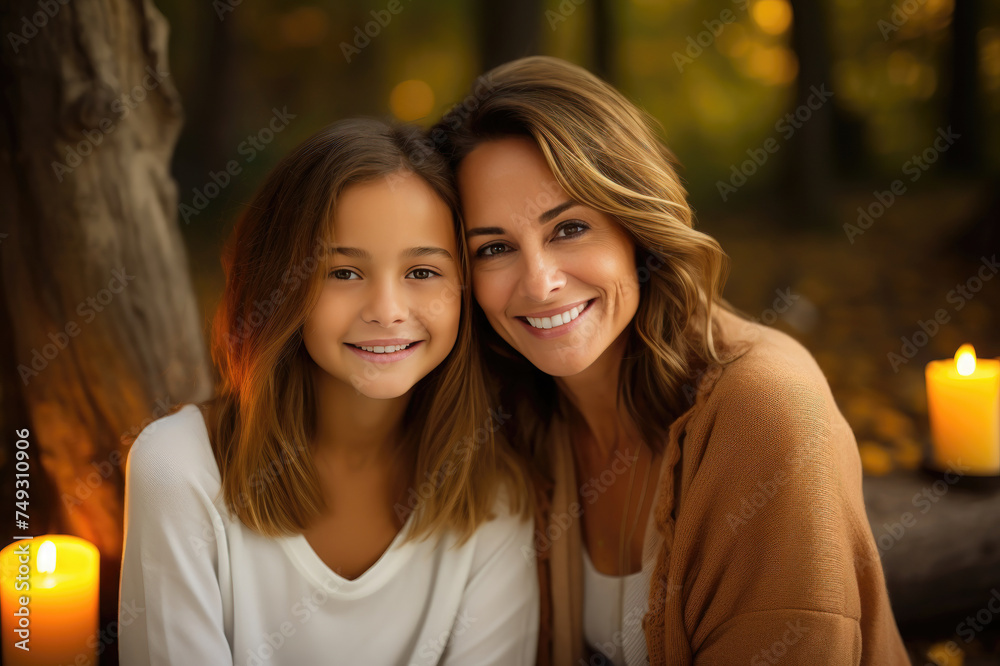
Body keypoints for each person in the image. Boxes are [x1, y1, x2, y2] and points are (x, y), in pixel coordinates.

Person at [430, 56, 911, 665]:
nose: (540, 282)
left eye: (570, 228)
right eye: (494, 248)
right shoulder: (516, 415)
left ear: (636, 226)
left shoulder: (764, 411)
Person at [117, 118, 539, 665]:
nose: (387, 310)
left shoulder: (494, 498)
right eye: (343, 273)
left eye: (422, 271)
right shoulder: (180, 469)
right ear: (280, 285)